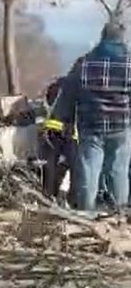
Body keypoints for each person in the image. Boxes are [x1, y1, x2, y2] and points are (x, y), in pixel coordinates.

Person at [56, 19, 131, 212]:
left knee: (89, 171)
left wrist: (65, 120)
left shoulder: (84, 62)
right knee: (118, 171)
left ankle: (86, 213)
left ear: (103, 37)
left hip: (91, 126)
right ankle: (118, 215)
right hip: (120, 127)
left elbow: (68, 94)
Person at [39, 76, 77, 206]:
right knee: (75, 167)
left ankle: (48, 196)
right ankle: (73, 200)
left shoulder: (57, 85)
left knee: (50, 166)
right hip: (69, 132)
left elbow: (48, 103)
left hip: (51, 131)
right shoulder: (79, 87)